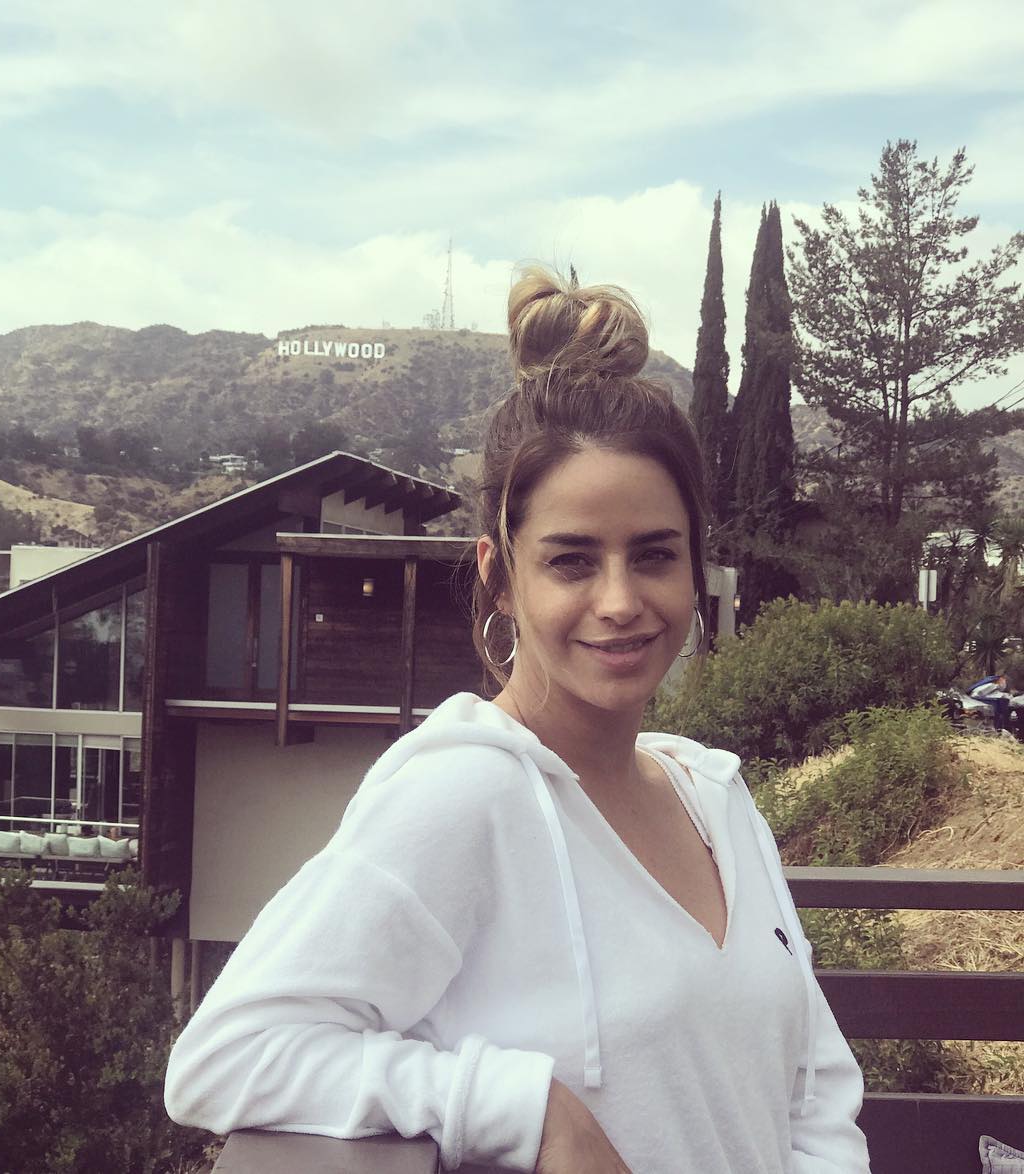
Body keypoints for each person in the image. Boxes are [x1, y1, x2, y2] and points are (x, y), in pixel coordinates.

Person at [164, 268, 870, 1173]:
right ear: (500, 576)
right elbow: (227, 1058)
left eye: (654, 555)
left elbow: (815, 1093)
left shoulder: (717, 799)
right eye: (571, 561)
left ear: (696, 567)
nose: (620, 600)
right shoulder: (464, 792)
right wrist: (523, 1107)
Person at [969, 673, 1015, 739]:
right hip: (988, 704)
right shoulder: (992, 685)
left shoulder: (994, 688)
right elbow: (976, 694)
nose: (1005, 683)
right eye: (1003, 680)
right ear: (999, 680)